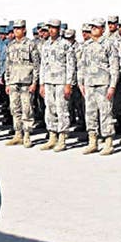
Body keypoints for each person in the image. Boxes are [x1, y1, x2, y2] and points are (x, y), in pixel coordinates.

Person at [78, 18, 119, 156]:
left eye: (96, 27)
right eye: (92, 27)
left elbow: (114, 66)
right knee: (90, 113)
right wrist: (80, 82)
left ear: (102, 29)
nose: (93, 29)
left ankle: (108, 142)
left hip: (103, 84)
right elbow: (81, 65)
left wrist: (112, 86)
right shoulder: (86, 45)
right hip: (89, 84)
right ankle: (92, 142)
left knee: (105, 113)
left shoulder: (108, 44)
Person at [39, 19, 76, 151]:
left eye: (53, 28)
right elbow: (43, 65)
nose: (51, 30)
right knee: (50, 109)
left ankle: (62, 138)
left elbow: (71, 65)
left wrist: (68, 84)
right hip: (49, 81)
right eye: (49, 27)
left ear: (59, 29)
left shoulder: (66, 44)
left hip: (61, 81)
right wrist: (41, 83)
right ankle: (52, 136)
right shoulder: (46, 45)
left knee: (62, 109)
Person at [3, 20, 40, 148]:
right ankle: (18, 133)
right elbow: (8, 64)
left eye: (19, 28)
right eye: (15, 29)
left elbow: (36, 65)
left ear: (24, 29)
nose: (16, 31)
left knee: (27, 109)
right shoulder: (10, 45)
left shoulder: (30, 44)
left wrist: (34, 82)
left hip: (26, 81)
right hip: (13, 80)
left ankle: (27, 135)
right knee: (14, 108)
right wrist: (7, 82)